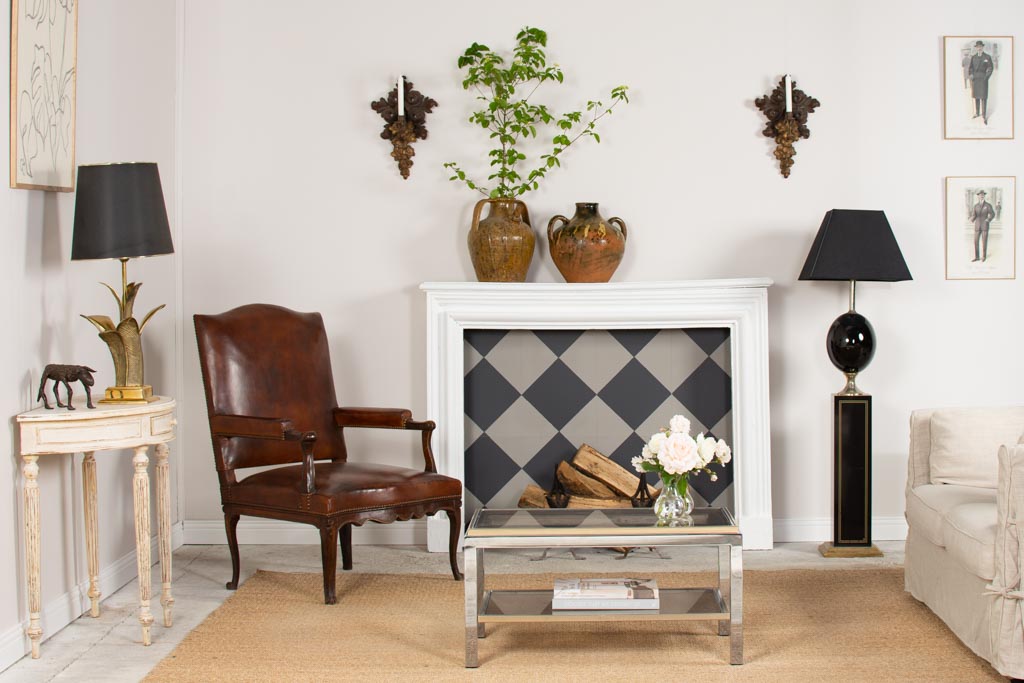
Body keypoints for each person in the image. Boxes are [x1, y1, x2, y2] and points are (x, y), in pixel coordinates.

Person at [968, 40, 995, 124]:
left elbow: (990, 68)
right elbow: (970, 68)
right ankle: (977, 113)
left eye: (980, 46)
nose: (979, 48)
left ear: (983, 47)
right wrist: (971, 74)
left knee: (983, 97)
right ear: (976, 48)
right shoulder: (973, 57)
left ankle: (984, 115)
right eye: (978, 47)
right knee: (976, 97)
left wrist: (986, 77)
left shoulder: (987, 57)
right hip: (975, 79)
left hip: (983, 79)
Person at [970, 189, 995, 262]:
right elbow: (974, 215)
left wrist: (988, 219)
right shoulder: (976, 206)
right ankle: (977, 257)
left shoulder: (988, 205)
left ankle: (984, 256)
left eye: (983, 195)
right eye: (980, 195)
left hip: (985, 226)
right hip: (977, 226)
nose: (981, 196)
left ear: (984, 196)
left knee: (984, 241)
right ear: (978, 196)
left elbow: (993, 214)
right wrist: (972, 219)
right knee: (976, 241)